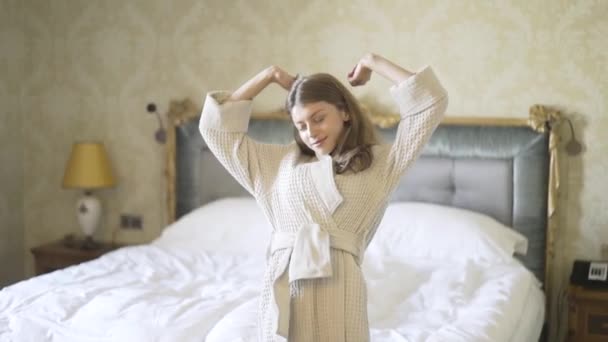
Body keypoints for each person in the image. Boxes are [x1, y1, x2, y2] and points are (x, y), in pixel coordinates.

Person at [199, 53, 448, 342]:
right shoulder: (273, 165)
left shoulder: (382, 164)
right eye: (301, 125)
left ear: (344, 112)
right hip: (286, 288)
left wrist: (372, 62)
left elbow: (430, 103)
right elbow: (216, 130)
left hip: (342, 291)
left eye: (318, 119)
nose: (311, 133)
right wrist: (268, 76)